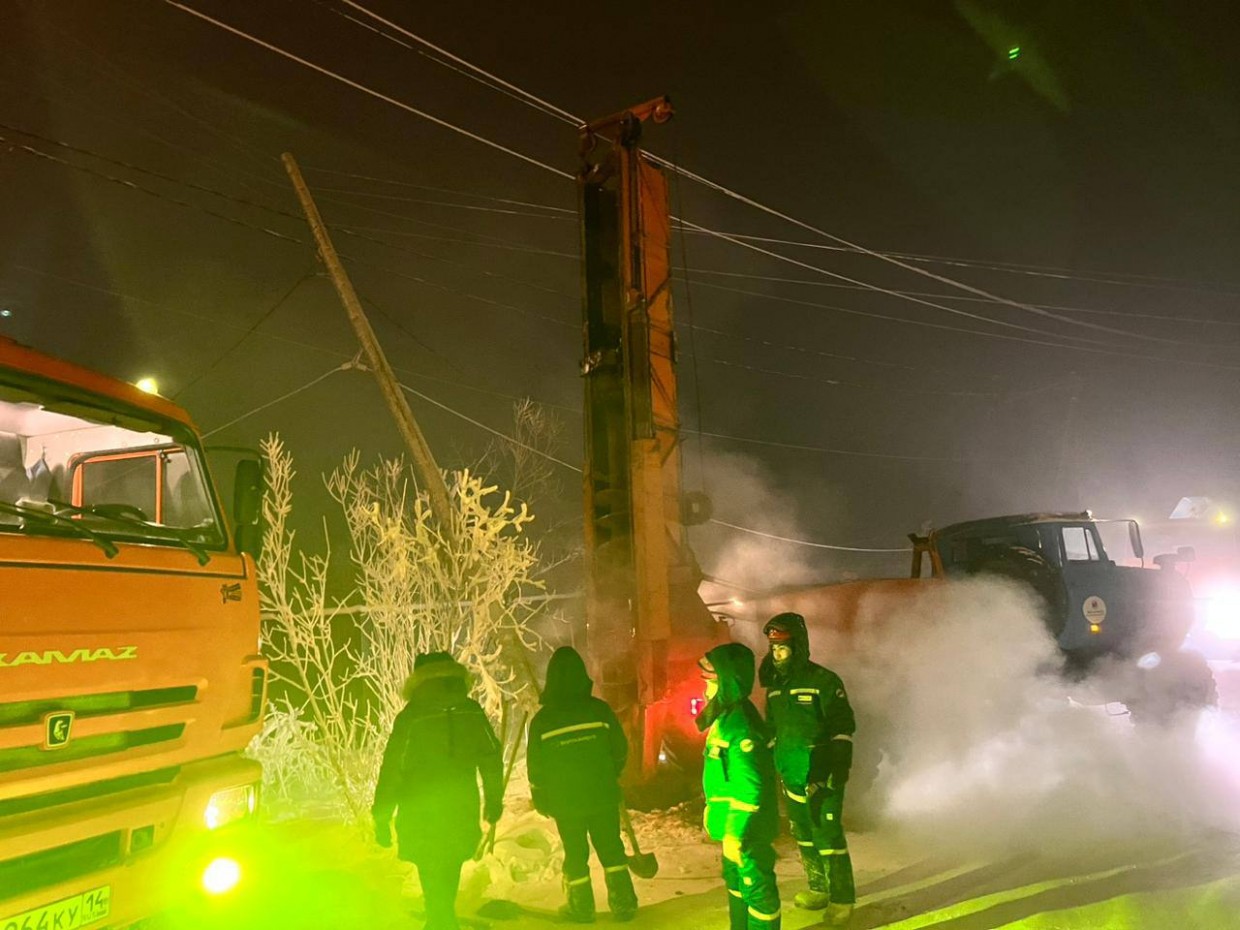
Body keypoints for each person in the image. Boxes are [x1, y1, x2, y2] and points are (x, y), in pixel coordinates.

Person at [372, 651, 503, 930]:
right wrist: (493, 801)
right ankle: (443, 917)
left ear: (419, 680)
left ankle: (438, 917)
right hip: (460, 803)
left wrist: (382, 815)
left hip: (420, 808)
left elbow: (392, 768)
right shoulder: (471, 711)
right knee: (451, 859)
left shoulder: (411, 717)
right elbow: (491, 758)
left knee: (429, 862)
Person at [527, 646, 637, 923]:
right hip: (602, 795)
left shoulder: (543, 721)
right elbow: (620, 749)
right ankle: (624, 903)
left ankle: (581, 907)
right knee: (611, 846)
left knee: (575, 852)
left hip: (566, 802)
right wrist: (611, 774)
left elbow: (536, 766)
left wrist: (540, 795)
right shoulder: (599, 711)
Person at [759, 612, 856, 927]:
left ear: (798, 647)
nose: (778, 655)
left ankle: (842, 899)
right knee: (802, 834)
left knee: (827, 836)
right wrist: (773, 757)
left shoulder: (824, 682)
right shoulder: (774, 688)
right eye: (774, 649)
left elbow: (842, 727)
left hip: (821, 776)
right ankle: (818, 888)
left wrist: (835, 770)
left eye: (783, 649)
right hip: (791, 775)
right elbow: (771, 728)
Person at [697, 642, 782, 930]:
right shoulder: (726, 716)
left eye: (710, 680)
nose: (704, 687)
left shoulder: (741, 726)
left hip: (748, 830)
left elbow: (750, 788)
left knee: (756, 888)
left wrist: (735, 834)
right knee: (736, 884)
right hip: (736, 829)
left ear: (727, 682)